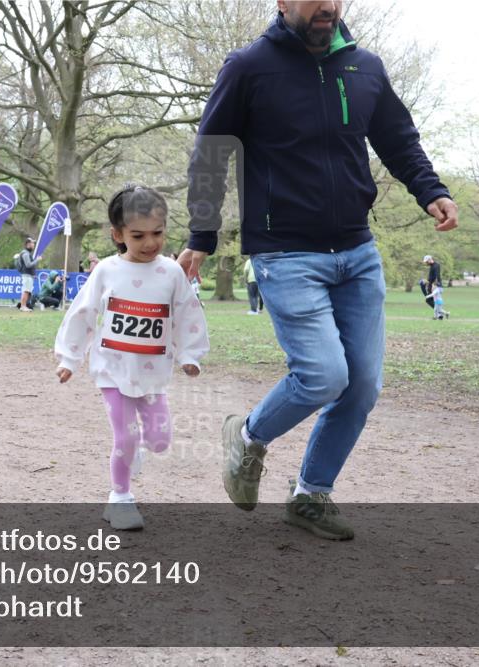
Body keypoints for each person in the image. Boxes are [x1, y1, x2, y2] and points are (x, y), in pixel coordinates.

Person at [179, 0, 458, 540]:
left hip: (357, 250)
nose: (328, 5)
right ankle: (249, 436)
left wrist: (432, 190)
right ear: (282, 2)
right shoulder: (248, 67)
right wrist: (202, 235)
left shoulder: (365, 67)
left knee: (361, 386)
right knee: (324, 375)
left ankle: (311, 493)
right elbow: (211, 153)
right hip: (285, 252)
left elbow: (399, 139)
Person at [55, 185, 209, 530]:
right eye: (138, 235)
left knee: (159, 440)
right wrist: (69, 359)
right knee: (124, 437)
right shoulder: (106, 271)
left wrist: (190, 354)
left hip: (153, 375)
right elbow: (82, 313)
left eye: (158, 233)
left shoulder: (171, 272)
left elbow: (188, 314)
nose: (150, 243)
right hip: (112, 371)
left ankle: (134, 451)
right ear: (118, 234)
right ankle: (120, 498)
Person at [15, 237, 42, 312]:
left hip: (28, 275)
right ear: (28, 245)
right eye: (32, 243)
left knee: (27, 291)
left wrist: (33, 275)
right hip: (26, 276)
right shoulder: (26, 254)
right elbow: (28, 265)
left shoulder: (26, 253)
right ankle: (23, 306)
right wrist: (37, 260)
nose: (33, 245)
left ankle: (23, 306)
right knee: (26, 291)